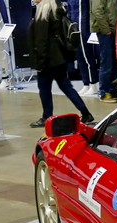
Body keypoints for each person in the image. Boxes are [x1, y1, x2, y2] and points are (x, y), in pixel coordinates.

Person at [28, 0, 94, 128]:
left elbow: (41, 41)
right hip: (60, 57)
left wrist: (39, 63)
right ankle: (86, 113)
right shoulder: (58, 9)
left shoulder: (43, 13)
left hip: (48, 60)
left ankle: (46, 117)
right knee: (66, 86)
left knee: (45, 89)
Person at [91, 0, 117, 102]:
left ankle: (112, 90)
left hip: (114, 30)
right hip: (106, 32)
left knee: (113, 61)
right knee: (106, 62)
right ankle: (104, 92)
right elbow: (97, 11)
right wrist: (106, 30)